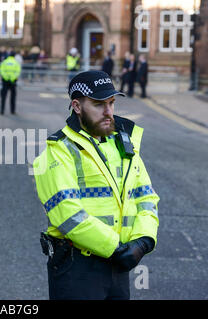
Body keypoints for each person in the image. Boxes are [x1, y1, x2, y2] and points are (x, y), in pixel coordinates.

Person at [33, 70, 159, 300]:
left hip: (118, 264)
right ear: (77, 106)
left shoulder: (124, 146)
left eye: (111, 103)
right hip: (77, 268)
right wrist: (116, 248)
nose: (108, 111)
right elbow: (67, 214)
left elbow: (146, 198)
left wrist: (143, 240)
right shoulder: (58, 151)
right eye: (99, 104)